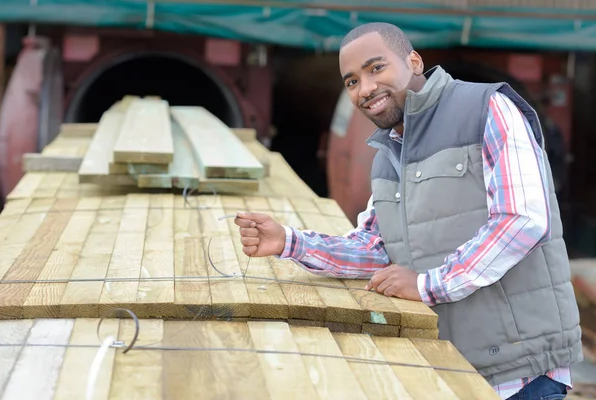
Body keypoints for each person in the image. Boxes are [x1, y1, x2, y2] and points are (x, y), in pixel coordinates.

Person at [233, 22, 582, 400]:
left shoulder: (487, 108)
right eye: (351, 81)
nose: (365, 89)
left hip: (519, 375)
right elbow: (377, 250)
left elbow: (522, 220)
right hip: (449, 367)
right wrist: (289, 242)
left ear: (413, 61)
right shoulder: (388, 156)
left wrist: (426, 285)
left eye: (376, 68)